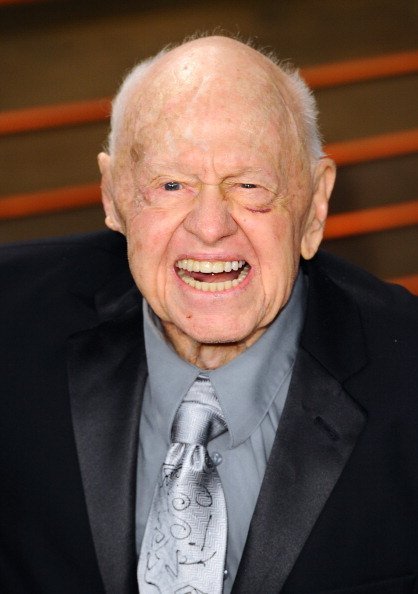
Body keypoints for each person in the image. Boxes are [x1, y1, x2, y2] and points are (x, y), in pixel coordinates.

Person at [1, 34, 418, 594]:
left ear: (316, 205)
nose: (211, 225)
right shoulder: (12, 327)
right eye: (170, 184)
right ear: (112, 195)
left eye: (250, 186)